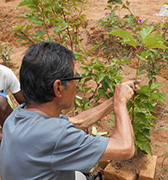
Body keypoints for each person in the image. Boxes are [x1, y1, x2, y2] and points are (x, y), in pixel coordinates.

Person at [0, 42, 139, 180]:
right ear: (58, 88)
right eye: (75, 77)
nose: (76, 84)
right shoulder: (55, 135)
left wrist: (114, 99)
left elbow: (79, 122)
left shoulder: (18, 115)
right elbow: (125, 148)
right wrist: (120, 103)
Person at [0, 64, 24, 145]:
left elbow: (25, 102)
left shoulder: (5, 73)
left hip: (4, 118)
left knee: (1, 102)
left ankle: (9, 135)